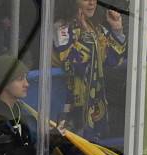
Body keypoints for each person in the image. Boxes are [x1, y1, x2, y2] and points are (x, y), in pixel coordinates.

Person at [53, 0, 127, 142]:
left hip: (95, 106)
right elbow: (75, 62)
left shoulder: (96, 27)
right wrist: (86, 32)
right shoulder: (60, 27)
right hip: (67, 104)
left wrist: (117, 30)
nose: (92, 2)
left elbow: (113, 59)